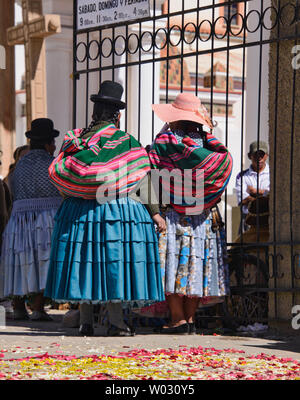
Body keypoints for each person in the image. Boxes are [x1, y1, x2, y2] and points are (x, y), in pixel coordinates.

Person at [44, 81, 166, 336]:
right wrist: (155, 212)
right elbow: (144, 177)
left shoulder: (76, 142)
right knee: (114, 263)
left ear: (93, 114)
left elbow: (63, 177)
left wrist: (79, 193)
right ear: (117, 116)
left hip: (78, 212)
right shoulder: (127, 143)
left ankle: (86, 322)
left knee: (86, 263)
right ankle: (115, 322)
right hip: (116, 212)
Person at [148, 92, 233, 334]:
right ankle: (190, 318)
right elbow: (223, 169)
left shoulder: (163, 143)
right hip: (202, 216)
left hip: (172, 215)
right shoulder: (210, 146)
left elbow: (151, 175)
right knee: (196, 264)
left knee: (173, 265)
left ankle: (176, 319)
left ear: (174, 117)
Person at [0, 119, 62, 320]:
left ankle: (18, 306)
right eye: (52, 142)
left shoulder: (20, 166)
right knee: (43, 261)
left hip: (19, 220)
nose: (54, 146)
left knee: (21, 261)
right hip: (45, 220)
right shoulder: (52, 164)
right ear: (47, 144)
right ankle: (38, 308)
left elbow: (11, 188)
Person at [235, 141, 270, 234]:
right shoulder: (241, 176)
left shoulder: (273, 174)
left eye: (262, 155)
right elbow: (242, 200)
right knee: (245, 247)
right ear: (249, 156)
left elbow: (274, 198)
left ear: (267, 155)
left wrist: (255, 192)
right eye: (256, 154)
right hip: (248, 220)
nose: (259, 158)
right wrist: (264, 195)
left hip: (268, 220)